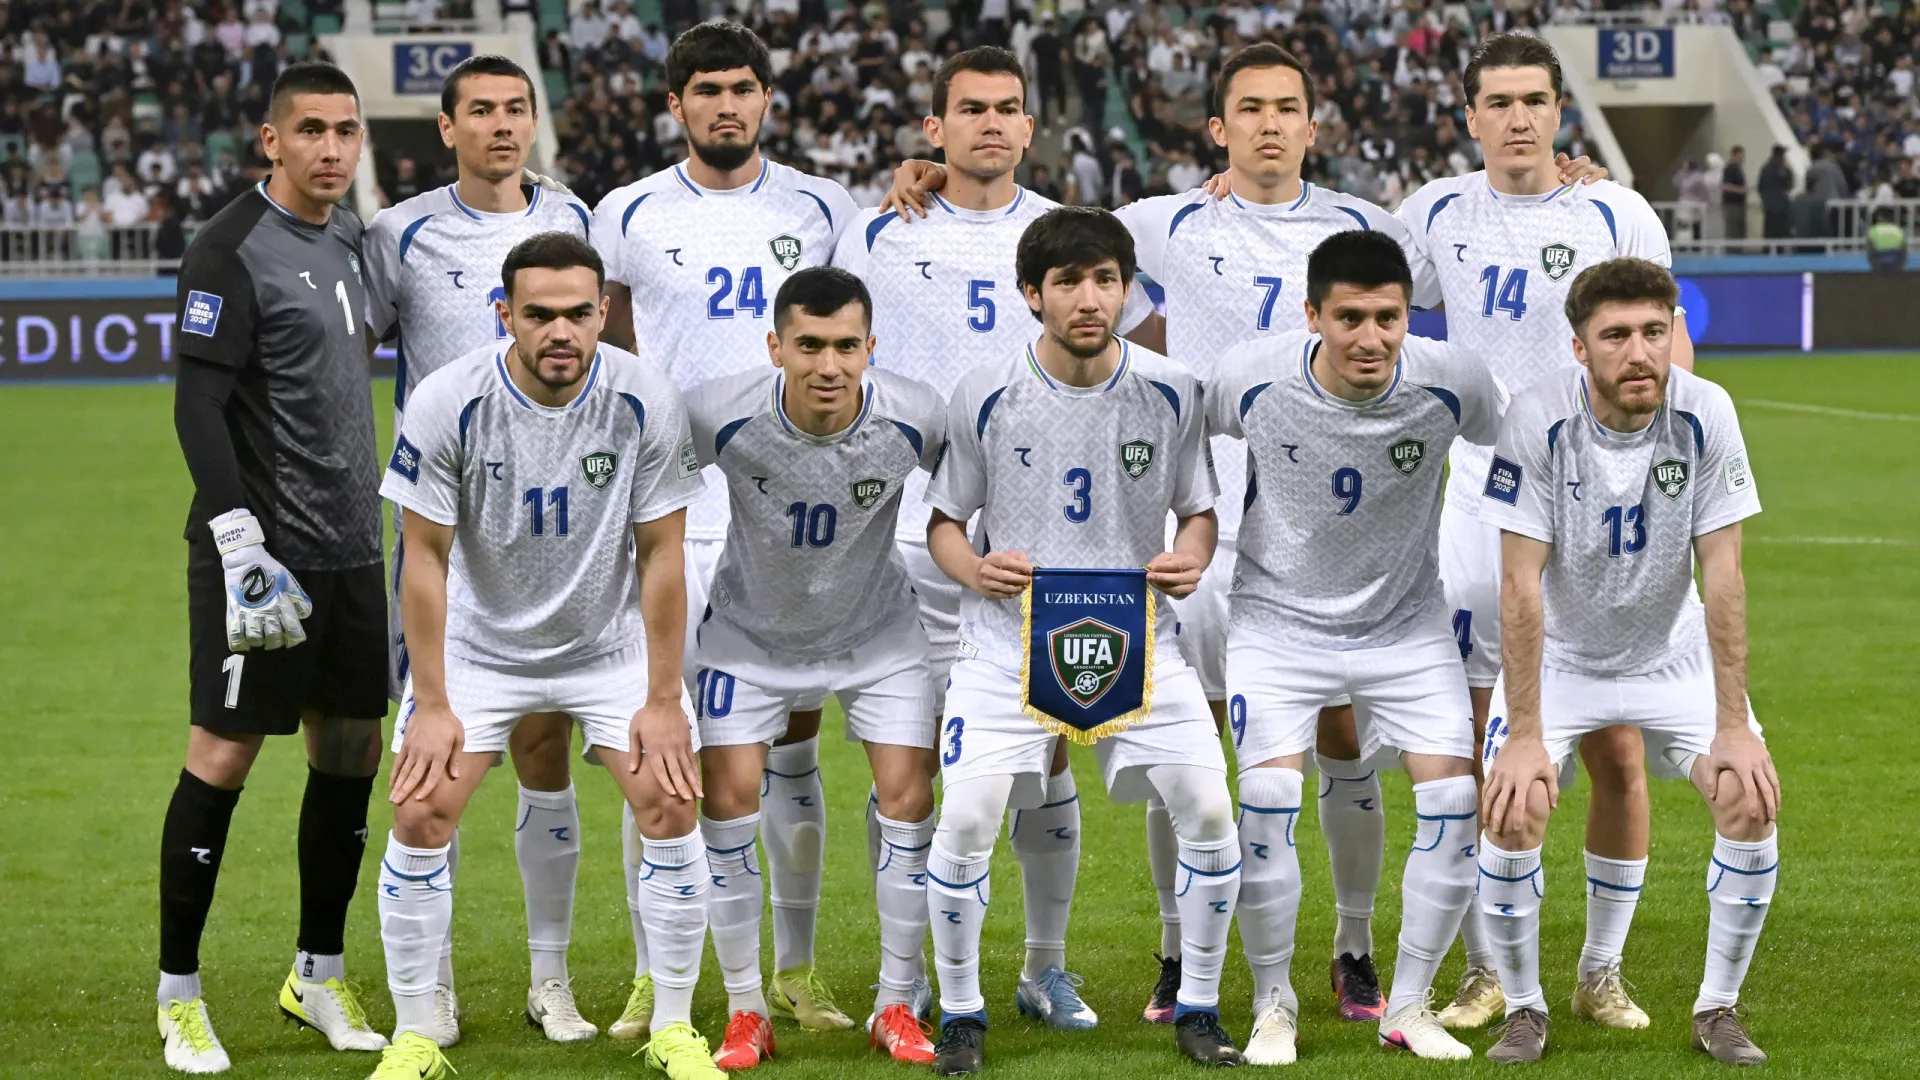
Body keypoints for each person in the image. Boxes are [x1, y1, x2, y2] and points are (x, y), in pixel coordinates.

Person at [883, 40, 1609, 1028]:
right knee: (1186, 753)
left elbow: (1496, 234)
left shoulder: (1371, 224)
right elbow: (1046, 228)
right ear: (1218, 129)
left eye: (1288, 108)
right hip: (1189, 529)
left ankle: (1353, 948)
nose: (1271, 124)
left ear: (1314, 126)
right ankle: (1180, 957)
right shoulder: (1166, 221)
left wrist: (1567, 178)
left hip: (1320, 531)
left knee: (1343, 738)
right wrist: (936, 172)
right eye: (1250, 109)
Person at [1396, 33, 1693, 1030]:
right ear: (1468, 114)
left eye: (1535, 100)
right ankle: (1490, 972)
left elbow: (1666, 341)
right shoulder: (1433, 213)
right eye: (1499, 101)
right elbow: (1348, 275)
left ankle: (1600, 971)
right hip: (1483, 501)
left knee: (1613, 743)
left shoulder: (1616, 210)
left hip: (1606, 504)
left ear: (1559, 110)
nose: (1518, 117)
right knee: (1497, 745)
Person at [366, 232, 715, 1080]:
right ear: (504, 316)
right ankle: (417, 1034)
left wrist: (664, 697)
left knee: (669, 803)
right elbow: (423, 556)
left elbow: (663, 554)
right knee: (419, 811)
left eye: (577, 314)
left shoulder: (644, 397)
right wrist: (435, 703)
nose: (561, 332)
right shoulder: (450, 400)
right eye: (539, 315)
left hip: (608, 647)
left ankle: (673, 1026)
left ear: (603, 313)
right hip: (480, 652)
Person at [835, 47, 1129, 1033]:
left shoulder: (1065, 235)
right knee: (912, 769)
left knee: (1049, 759)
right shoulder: (874, 232)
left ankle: (1044, 968)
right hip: (918, 541)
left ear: (1030, 128)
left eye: (1008, 109)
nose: (990, 125)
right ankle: (907, 977)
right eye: (970, 111)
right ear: (934, 129)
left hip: (1051, 543)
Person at [922, 206, 1243, 1073]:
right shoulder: (985, 389)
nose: (1089, 298)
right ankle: (960, 1015)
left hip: (1139, 638)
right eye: (1067, 282)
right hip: (1005, 643)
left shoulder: (1172, 388)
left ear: (1129, 289)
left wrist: (1191, 557)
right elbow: (946, 523)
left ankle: (1201, 1007)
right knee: (965, 822)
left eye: (1106, 279)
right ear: (1033, 294)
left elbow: (1200, 510)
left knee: (1211, 808)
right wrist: (973, 570)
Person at [591, 20, 860, 1037]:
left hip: (787, 519)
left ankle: (796, 972)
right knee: (658, 747)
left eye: (744, 87)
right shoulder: (628, 213)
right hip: (669, 516)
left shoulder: (820, 207)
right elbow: (612, 353)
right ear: (676, 105)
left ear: (766, 99)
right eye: (707, 90)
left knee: (791, 743)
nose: (728, 105)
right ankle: (653, 978)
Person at [1206, 229, 1501, 1063]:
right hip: (1275, 623)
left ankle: (1410, 1004)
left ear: (1410, 315)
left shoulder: (1453, 380)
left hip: (1408, 626)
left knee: (1452, 802)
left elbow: (1515, 455)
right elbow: (1188, 437)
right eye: (1349, 319)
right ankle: (1273, 1005)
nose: (1371, 338)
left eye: (1389, 318)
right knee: (1266, 804)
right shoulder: (1253, 374)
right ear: (1313, 316)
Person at [1477, 257, 1777, 1066]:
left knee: (1749, 798)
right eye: (1616, 336)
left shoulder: (1706, 411)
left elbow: (1723, 575)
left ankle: (1716, 1007)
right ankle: (1525, 1009)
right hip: (1566, 656)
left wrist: (1732, 723)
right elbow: (1518, 582)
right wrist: (1527, 733)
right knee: (1515, 806)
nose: (1640, 352)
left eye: (1655, 331)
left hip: (1670, 654)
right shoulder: (1537, 419)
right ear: (1580, 348)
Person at [359, 53, 597, 1047]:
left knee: (548, 751)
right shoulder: (398, 234)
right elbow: (343, 346)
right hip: (447, 536)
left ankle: (552, 981)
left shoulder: (576, 219)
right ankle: (433, 989)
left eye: (517, 110)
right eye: (482, 113)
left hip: (562, 539)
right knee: (435, 766)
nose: (503, 126)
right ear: (446, 128)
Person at [159, 61, 388, 1074]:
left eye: (346, 131)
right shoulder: (229, 249)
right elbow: (197, 405)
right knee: (225, 754)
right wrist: (238, 537)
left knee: (349, 756)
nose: (331, 149)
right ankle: (179, 995)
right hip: (263, 557)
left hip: (352, 551)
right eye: (312, 132)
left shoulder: (349, 233)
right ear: (272, 141)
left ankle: (318, 973)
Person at [683, 267, 946, 1069]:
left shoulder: (916, 416)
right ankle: (745, 1010)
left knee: (909, 802)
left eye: (845, 346)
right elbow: (649, 505)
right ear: (775, 346)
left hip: (878, 633)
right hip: (747, 636)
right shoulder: (716, 414)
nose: (827, 365)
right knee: (725, 808)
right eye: (808, 346)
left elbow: (970, 502)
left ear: (870, 347)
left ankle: (896, 1004)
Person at [1757, 145, 1792, 240]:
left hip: (1768, 206)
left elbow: (1760, 187)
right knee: (1780, 234)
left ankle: (1768, 252)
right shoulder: (1784, 169)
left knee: (1769, 233)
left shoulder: (1765, 168)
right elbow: (1789, 185)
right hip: (1781, 206)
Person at [1866, 205, 1907, 271]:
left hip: (1879, 258)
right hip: (1895, 258)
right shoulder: (1898, 229)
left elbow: (1870, 248)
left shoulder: (1873, 230)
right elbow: (1904, 249)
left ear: (1879, 218)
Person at [1720, 145, 1747, 240]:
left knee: (1739, 230)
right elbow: (1726, 186)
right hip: (1732, 204)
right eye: (1740, 156)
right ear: (1734, 155)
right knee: (1732, 230)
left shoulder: (1739, 169)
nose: (1742, 158)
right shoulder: (1730, 169)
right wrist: (1741, 190)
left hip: (1739, 204)